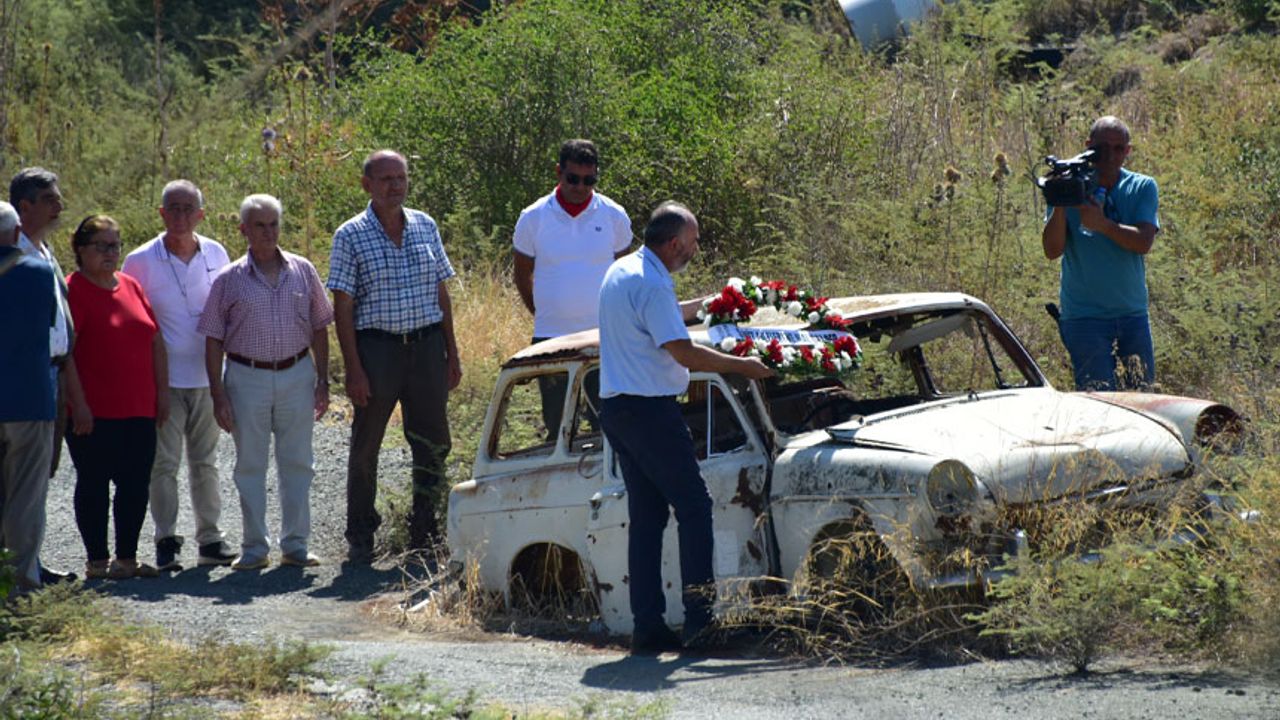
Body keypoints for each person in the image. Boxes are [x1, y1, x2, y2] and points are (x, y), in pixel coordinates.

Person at [597, 201, 774, 654]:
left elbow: (663, 312)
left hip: (619, 410)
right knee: (694, 507)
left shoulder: (626, 270)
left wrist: (711, 304)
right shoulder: (651, 283)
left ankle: (648, 625)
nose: (695, 250)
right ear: (674, 243)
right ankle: (700, 622)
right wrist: (743, 367)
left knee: (649, 518)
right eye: (693, 242)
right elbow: (683, 351)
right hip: (650, 412)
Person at [328, 150, 461, 562]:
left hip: (425, 348)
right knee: (367, 445)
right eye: (386, 179)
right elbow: (343, 305)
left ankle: (425, 529)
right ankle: (361, 535)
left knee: (434, 442)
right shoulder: (350, 234)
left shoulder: (425, 225)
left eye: (401, 178)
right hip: (377, 350)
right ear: (367, 184)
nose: (395, 186)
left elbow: (441, 291)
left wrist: (451, 353)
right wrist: (354, 369)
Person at [199, 194, 332, 571]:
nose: (268, 231)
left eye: (273, 224)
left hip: (296, 374)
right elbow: (212, 338)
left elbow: (321, 326)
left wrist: (322, 380)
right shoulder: (229, 280)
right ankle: (255, 547)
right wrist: (217, 393)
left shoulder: (303, 270)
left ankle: (296, 545)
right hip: (246, 376)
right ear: (243, 230)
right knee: (250, 465)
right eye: (259, 224)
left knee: (298, 462)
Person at [122, 180, 236, 571]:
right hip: (164, 380)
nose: (181, 216)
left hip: (208, 378)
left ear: (201, 214)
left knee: (206, 462)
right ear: (161, 213)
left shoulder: (217, 253)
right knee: (164, 463)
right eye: (173, 208)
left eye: (189, 208)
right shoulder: (140, 260)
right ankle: (166, 540)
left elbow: (227, 312)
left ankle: (211, 540)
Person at [64, 215, 168, 579]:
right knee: (93, 484)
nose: (111, 253)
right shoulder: (71, 289)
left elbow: (154, 340)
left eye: (115, 245)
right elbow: (66, 354)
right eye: (101, 246)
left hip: (138, 406)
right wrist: (78, 405)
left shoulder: (130, 285)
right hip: (93, 411)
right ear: (80, 249)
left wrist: (163, 393)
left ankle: (126, 559)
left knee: (135, 484)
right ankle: (97, 562)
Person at [513, 139, 632, 437]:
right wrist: (544, 314)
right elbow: (521, 275)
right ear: (558, 172)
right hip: (551, 338)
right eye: (573, 179)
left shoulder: (614, 216)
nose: (580, 186)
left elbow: (627, 275)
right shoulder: (533, 217)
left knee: (608, 422)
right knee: (558, 424)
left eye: (589, 180)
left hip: (604, 336)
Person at [1042, 115, 1160, 391]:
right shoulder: (1071, 184)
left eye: (1119, 148)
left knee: (1142, 397)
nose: (1110, 155)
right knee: (1099, 401)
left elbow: (1143, 242)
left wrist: (1103, 225)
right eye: (1102, 147)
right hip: (1084, 318)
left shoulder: (1142, 186)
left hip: (1131, 314)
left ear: (1128, 151)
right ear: (1088, 146)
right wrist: (1061, 202)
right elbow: (1052, 250)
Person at [9, 167, 79, 584]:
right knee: (18, 480)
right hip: (23, 377)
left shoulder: (45, 249)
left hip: (54, 373)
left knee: (41, 475)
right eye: (50, 199)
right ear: (25, 206)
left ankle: (30, 562)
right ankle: (16, 577)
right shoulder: (10, 254)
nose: (60, 206)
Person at [0, 201, 59, 594]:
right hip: (28, 398)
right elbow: (49, 326)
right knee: (26, 494)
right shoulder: (38, 272)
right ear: (16, 231)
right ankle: (20, 583)